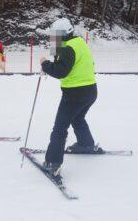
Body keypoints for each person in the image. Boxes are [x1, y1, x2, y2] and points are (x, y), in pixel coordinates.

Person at [40, 18, 102, 177]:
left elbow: (61, 71)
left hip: (75, 94)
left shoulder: (68, 48)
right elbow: (61, 60)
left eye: (55, 36)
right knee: (78, 118)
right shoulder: (79, 42)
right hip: (90, 91)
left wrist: (45, 65)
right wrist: (50, 63)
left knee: (60, 127)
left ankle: (53, 162)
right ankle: (86, 144)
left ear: (61, 35)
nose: (53, 38)